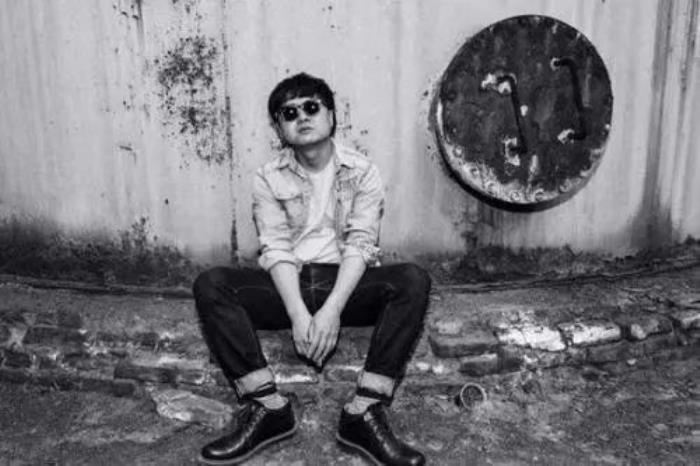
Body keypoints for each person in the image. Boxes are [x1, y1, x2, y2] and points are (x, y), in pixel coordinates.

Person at [193, 72, 431, 465]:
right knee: (211, 283)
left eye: (311, 107)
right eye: (289, 113)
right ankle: (267, 406)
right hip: (291, 284)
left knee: (412, 280)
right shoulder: (268, 177)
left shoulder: (362, 170)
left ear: (331, 116)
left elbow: (360, 244)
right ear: (279, 128)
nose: (302, 116)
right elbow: (275, 248)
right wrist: (299, 315)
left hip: (345, 283)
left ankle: (364, 410)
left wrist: (332, 309)